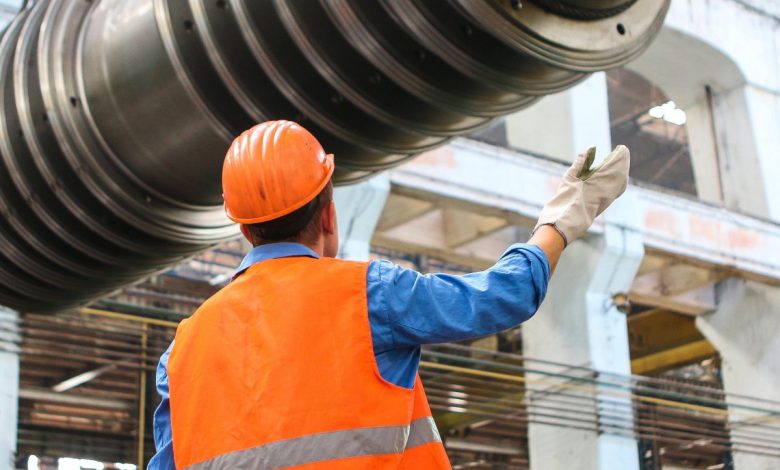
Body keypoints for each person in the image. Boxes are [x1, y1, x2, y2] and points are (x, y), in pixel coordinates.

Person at [148, 120, 629, 469]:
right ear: (329, 215)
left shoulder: (182, 352)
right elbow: (503, 295)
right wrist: (562, 218)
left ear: (244, 230)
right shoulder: (369, 294)